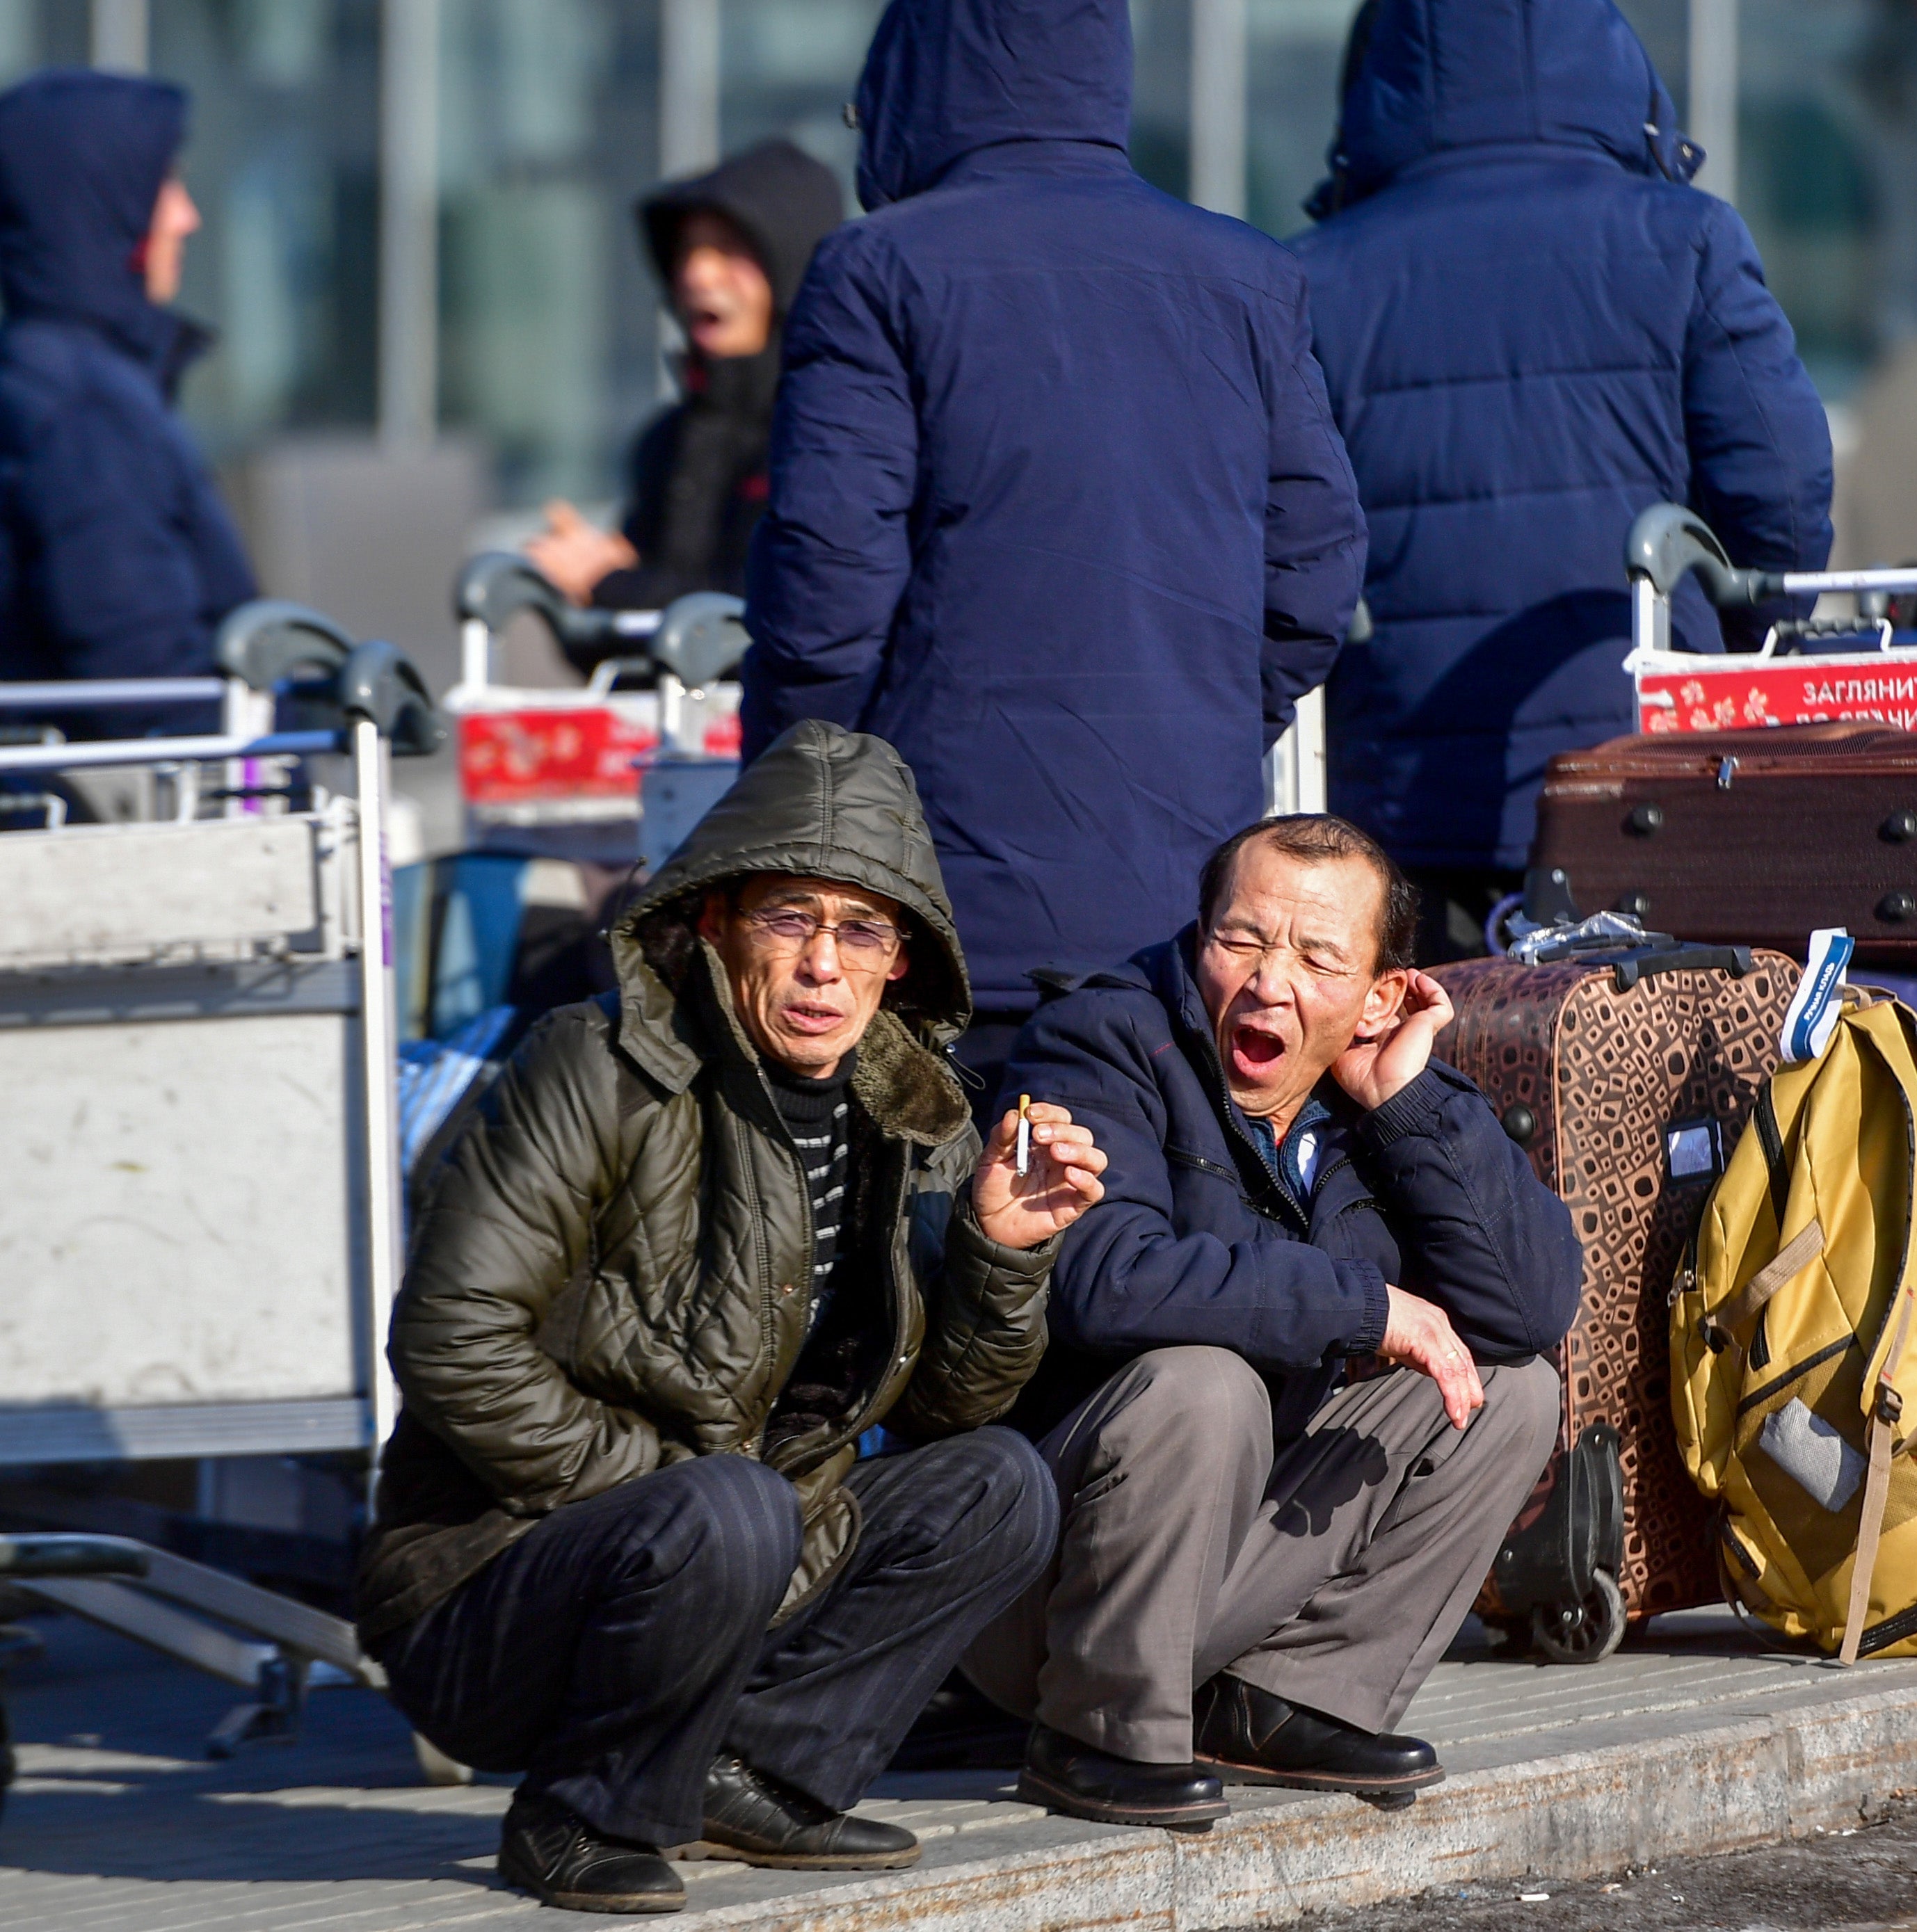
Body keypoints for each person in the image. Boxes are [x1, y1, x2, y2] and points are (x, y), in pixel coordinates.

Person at [353, 722, 1108, 1915]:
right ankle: (579, 1812)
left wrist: (998, 1250)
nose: (824, 964)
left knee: (999, 1481)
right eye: (788, 917)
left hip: (741, 1548)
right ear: (712, 923)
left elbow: (957, 1403)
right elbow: (455, 1339)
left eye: (861, 927)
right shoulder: (593, 1065)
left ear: (900, 956)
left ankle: (748, 1770)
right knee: (734, 1499)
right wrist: (681, 1490)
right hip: (491, 1584)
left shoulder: (915, 1111)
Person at [738, 0, 1367, 1100]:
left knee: (945, 1243)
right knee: (1144, 1237)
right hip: (1185, 908)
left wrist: (798, 811)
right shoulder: (1245, 274)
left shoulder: (881, 269)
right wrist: (1200, 709)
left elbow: (824, 599)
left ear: (909, 85)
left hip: (940, 901)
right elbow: (1314, 574)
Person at [961, 814, 1581, 1828]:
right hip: (1042, 1589)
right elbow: (1104, 1276)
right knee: (1203, 1382)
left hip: (1224, 1569)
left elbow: (1532, 1304)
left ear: (1380, 995)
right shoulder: (1100, 1039)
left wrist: (1409, 1105)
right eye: (1240, 937)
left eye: (1317, 956)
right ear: (1197, 934)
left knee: (1509, 1387)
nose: (1267, 981)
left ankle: (1280, 1699)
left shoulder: (1374, 1090)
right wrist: (1362, 1307)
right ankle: (1100, 1728)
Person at [1290, 0, 1833, 960]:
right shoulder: (1688, 239)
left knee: (1429, 1081)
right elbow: (1781, 500)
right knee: (1649, 1085)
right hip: (1649, 772)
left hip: (1402, 792)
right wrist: (1730, 644)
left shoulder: (1313, 274)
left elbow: (1287, 538)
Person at [0, 68, 255, 742]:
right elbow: (147, 686)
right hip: (136, 826)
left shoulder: (60, 381)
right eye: (163, 186)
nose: (187, 217)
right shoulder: (85, 411)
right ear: (103, 207)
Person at [524, 138, 847, 618]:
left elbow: (798, 604)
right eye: (688, 251)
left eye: (730, 248)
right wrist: (585, 588)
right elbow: (616, 650)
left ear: (792, 265)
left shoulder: (835, 431)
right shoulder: (666, 442)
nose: (699, 274)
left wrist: (613, 584)